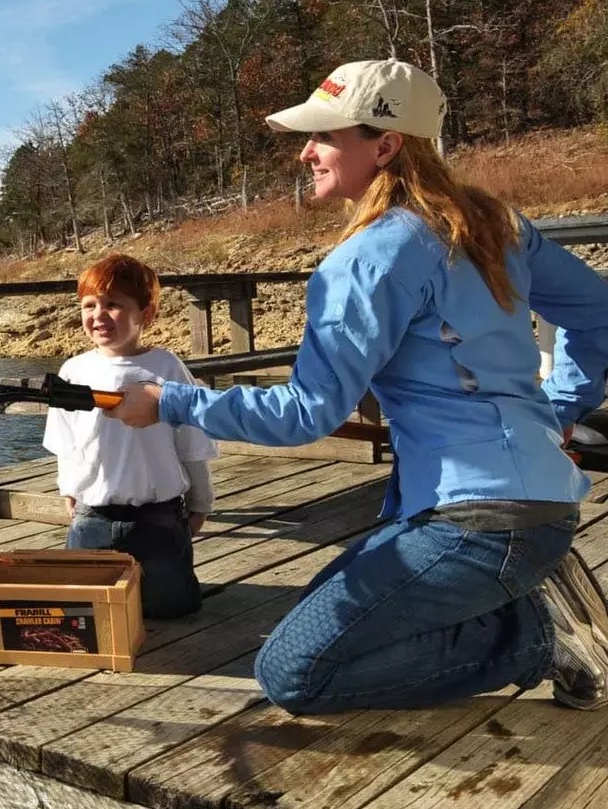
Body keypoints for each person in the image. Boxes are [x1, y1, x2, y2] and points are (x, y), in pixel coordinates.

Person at [110, 59, 608, 712]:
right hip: (539, 507)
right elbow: (597, 313)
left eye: (325, 136)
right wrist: (561, 408)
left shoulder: (367, 258)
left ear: (387, 145)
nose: (304, 152)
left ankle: (539, 641)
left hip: (479, 524)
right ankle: (522, 589)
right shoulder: (495, 221)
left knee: (292, 672)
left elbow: (304, 414)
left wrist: (170, 402)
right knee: (324, 613)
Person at [44, 253, 218, 618]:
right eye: (89, 305)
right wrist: (68, 489)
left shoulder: (166, 366)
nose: (99, 315)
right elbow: (65, 441)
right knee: (85, 612)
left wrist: (201, 501)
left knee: (173, 607)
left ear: (146, 313)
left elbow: (192, 443)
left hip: (159, 515)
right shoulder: (73, 370)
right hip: (93, 514)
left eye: (113, 305)